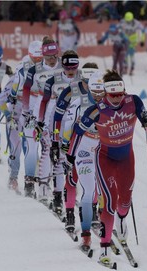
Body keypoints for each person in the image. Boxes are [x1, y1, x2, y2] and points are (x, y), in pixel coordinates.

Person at [65, 69, 147, 266]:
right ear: (105, 93)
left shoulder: (133, 101)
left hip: (126, 159)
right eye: (112, 95)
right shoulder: (96, 110)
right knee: (110, 202)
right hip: (104, 158)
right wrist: (70, 155)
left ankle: (122, 222)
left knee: (125, 202)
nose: (116, 99)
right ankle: (104, 250)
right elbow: (77, 132)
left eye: (119, 95)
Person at [52, 66, 104, 250]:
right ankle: (73, 217)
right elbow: (63, 120)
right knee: (77, 182)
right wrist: (60, 144)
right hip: (79, 143)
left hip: (101, 146)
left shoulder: (109, 101)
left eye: (101, 91)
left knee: (99, 185)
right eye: (94, 90)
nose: (98, 95)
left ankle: (96, 214)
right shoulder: (77, 97)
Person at [34, 50, 80, 215]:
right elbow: (44, 102)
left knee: (74, 159)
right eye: (67, 68)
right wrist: (40, 121)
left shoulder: (83, 79)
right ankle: (53, 193)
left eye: (73, 68)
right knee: (55, 156)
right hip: (56, 120)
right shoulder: (53, 80)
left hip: (76, 123)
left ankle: (73, 191)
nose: (70, 71)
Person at [0, 40, 43, 193]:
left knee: (31, 148)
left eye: (40, 58)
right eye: (35, 59)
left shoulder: (43, 75)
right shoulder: (17, 75)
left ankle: (33, 180)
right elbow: (1, 101)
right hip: (16, 117)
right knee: (15, 149)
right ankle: (13, 177)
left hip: (31, 117)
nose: (39, 62)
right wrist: (9, 117)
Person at [21, 36, 62, 197]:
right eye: (48, 57)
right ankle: (30, 181)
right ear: (43, 55)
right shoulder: (34, 69)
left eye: (55, 56)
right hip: (39, 107)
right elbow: (25, 89)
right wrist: (25, 112)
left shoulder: (62, 66)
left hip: (60, 107)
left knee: (56, 146)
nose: (52, 60)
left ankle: (54, 182)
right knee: (34, 147)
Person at [119, 11, 146, 75]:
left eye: (129, 21)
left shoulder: (137, 23)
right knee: (125, 54)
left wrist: (142, 40)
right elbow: (119, 30)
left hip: (133, 40)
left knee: (131, 54)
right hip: (125, 39)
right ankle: (125, 67)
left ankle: (132, 68)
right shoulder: (122, 22)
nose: (128, 22)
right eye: (127, 20)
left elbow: (142, 31)